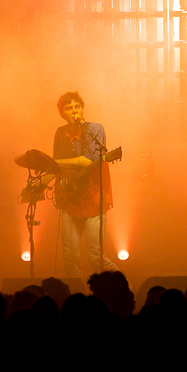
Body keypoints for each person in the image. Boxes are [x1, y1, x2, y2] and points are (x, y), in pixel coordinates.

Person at [49, 91, 119, 279]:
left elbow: (88, 160)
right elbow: (57, 167)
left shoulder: (94, 129)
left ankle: (123, 286)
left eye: (77, 107)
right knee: (70, 257)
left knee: (95, 256)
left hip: (94, 202)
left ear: (82, 109)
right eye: (69, 108)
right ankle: (76, 294)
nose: (74, 111)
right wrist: (40, 183)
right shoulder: (59, 133)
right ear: (62, 114)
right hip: (70, 202)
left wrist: (54, 163)